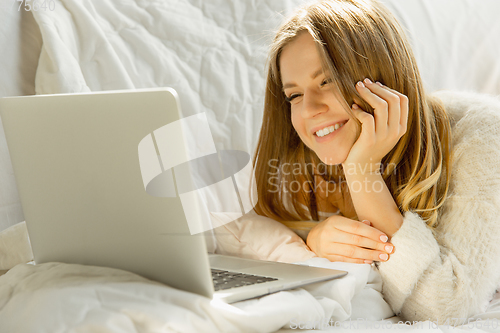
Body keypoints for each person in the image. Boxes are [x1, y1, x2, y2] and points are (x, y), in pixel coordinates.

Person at [251, 0, 500, 322]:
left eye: (327, 81)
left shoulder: (483, 134)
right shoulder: (311, 158)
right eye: (294, 95)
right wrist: (313, 237)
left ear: (382, 78)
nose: (309, 109)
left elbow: (446, 307)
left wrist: (362, 171)